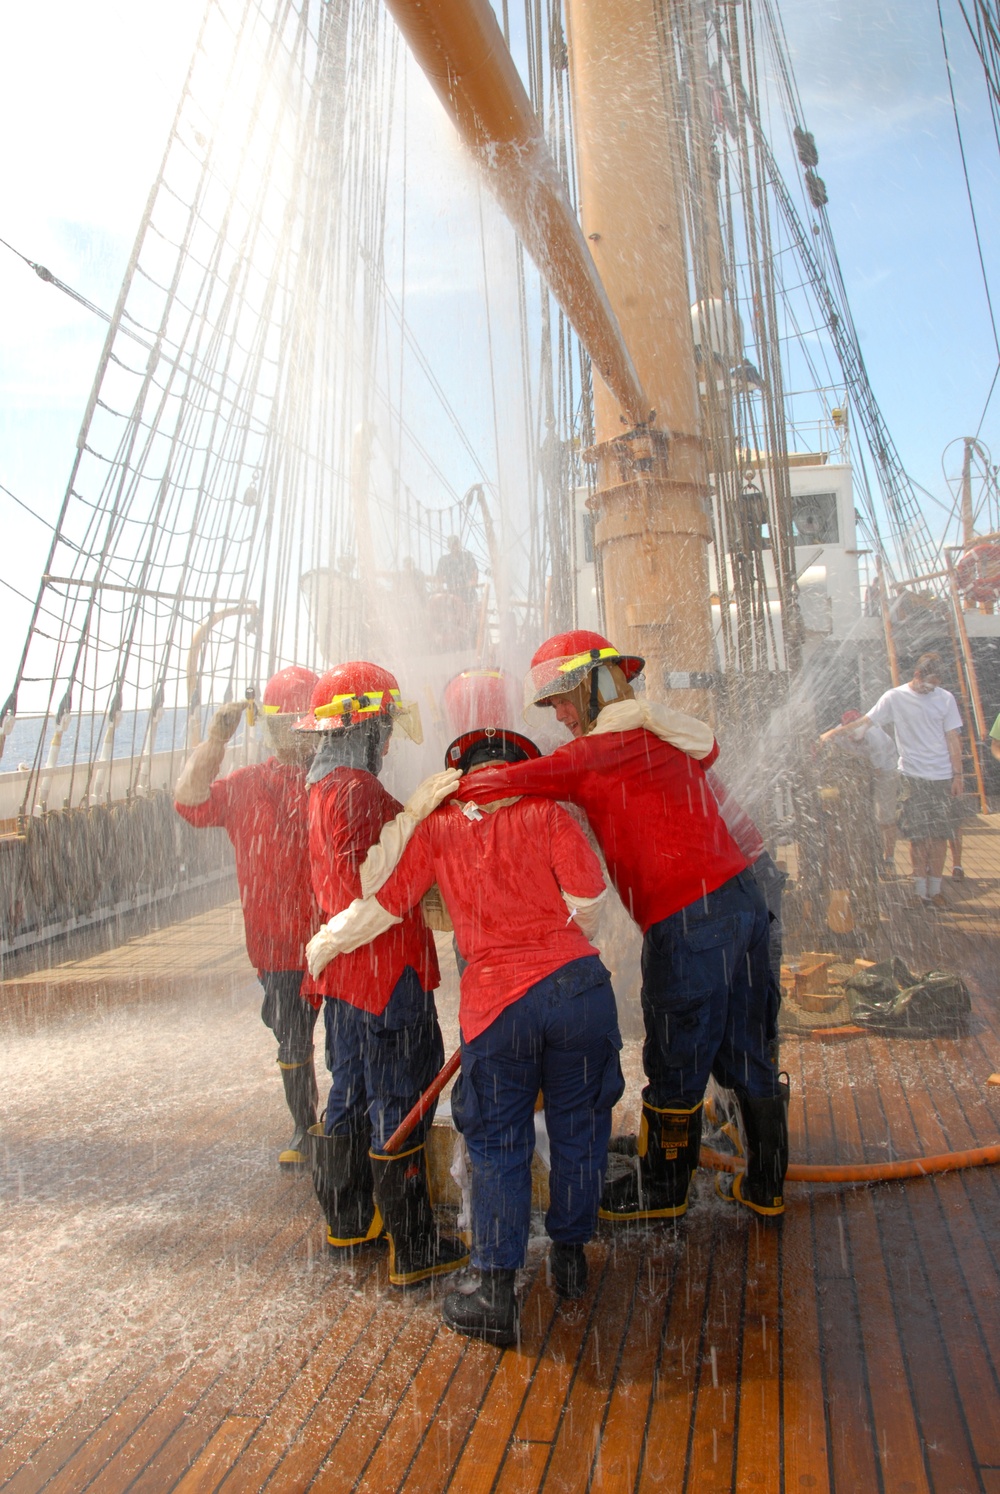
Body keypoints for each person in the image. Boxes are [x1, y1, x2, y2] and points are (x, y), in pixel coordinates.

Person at [450, 630, 788, 1222]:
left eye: (558, 700)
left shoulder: (593, 754)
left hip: (689, 925)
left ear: (585, 689)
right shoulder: (662, 735)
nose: (556, 716)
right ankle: (766, 1186)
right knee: (749, 1051)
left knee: (675, 1059)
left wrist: (446, 792)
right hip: (743, 903)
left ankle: (662, 1192)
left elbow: (504, 781)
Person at [307, 724, 623, 1346]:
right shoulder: (548, 813)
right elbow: (591, 895)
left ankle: (495, 1290)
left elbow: (384, 904)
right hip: (580, 993)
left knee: (498, 1146)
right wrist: (557, 930)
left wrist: (326, 942)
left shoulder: (438, 828)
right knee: (580, 1126)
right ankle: (569, 1256)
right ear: (520, 767)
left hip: (496, 1009)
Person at [297, 661, 468, 1285]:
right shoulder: (360, 791)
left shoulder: (318, 788)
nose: (390, 741)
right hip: (387, 972)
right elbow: (377, 880)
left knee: (349, 1092)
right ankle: (415, 1247)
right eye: (385, 727)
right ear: (365, 728)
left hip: (344, 979)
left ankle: (350, 1219)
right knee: (404, 1095)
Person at [174, 666, 322, 1168]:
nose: (296, 736)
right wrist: (216, 739)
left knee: (348, 1040)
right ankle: (306, 1125)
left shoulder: (332, 782)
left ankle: (343, 1125)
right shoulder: (245, 785)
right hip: (279, 947)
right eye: (289, 726)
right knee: (292, 1039)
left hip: (336, 940)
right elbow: (189, 800)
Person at [820, 653, 963, 908]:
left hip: (942, 776)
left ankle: (936, 889)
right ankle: (920, 892)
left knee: (940, 836)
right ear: (916, 675)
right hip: (912, 775)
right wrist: (833, 732)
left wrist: (957, 774)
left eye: (935, 684)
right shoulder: (895, 697)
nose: (931, 689)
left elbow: (953, 737)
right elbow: (866, 720)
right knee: (918, 836)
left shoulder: (945, 698)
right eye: (927, 683)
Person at [829, 708, 900, 875]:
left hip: (885, 771)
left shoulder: (876, 738)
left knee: (884, 816)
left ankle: (888, 859)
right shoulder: (839, 733)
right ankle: (866, 857)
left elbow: (876, 771)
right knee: (857, 813)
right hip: (860, 770)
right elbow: (835, 755)